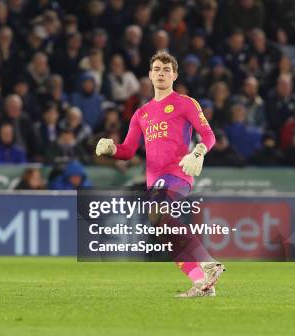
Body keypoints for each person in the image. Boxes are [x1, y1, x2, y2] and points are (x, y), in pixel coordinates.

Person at [94, 51, 224, 297]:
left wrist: (198, 152)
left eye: (166, 69)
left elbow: (209, 135)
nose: (161, 73)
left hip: (178, 173)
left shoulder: (186, 103)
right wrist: (112, 148)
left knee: (158, 215)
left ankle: (208, 263)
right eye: (156, 69)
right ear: (150, 75)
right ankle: (202, 284)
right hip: (155, 181)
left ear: (174, 75)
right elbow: (128, 150)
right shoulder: (141, 114)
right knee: (163, 229)